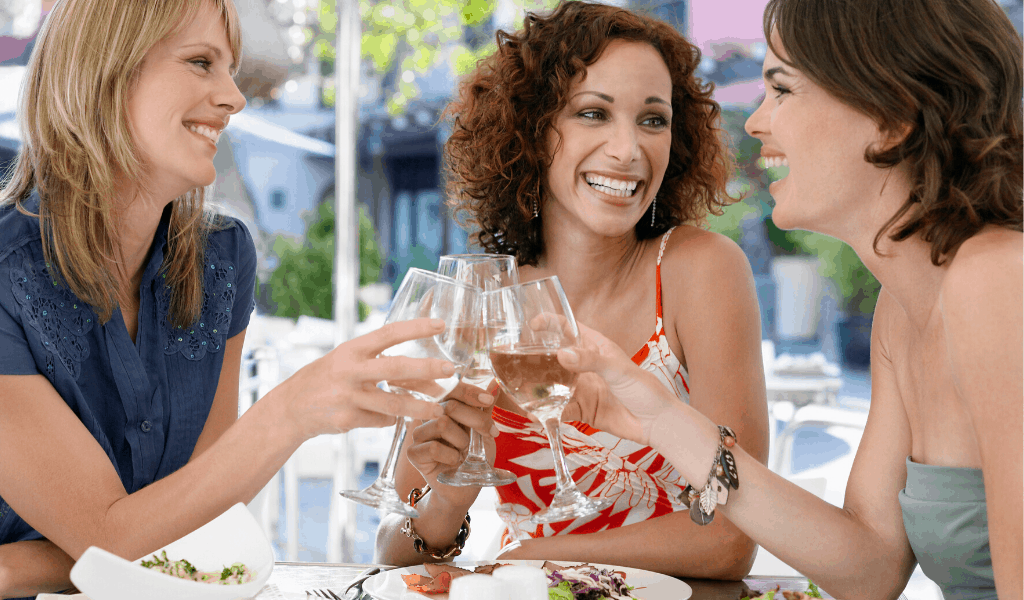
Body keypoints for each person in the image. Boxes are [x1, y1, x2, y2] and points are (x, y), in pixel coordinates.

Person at [552, 0, 1023, 597]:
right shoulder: (900, 313)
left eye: (782, 89)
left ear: (893, 115)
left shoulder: (996, 279)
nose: (753, 122)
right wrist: (663, 419)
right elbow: (870, 566)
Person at [0, 1, 456, 597]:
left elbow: (201, 523)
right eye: (200, 63)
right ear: (104, 74)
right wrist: (291, 411)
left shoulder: (220, 258)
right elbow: (111, 538)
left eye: (231, 69)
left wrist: (15, 567)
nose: (234, 97)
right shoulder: (7, 275)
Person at [376, 0, 770, 579]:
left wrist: (526, 557)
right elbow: (392, 552)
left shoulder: (699, 270)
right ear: (532, 131)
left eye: (653, 120)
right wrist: (449, 502)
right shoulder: (481, 304)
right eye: (593, 113)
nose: (628, 149)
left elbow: (735, 534)